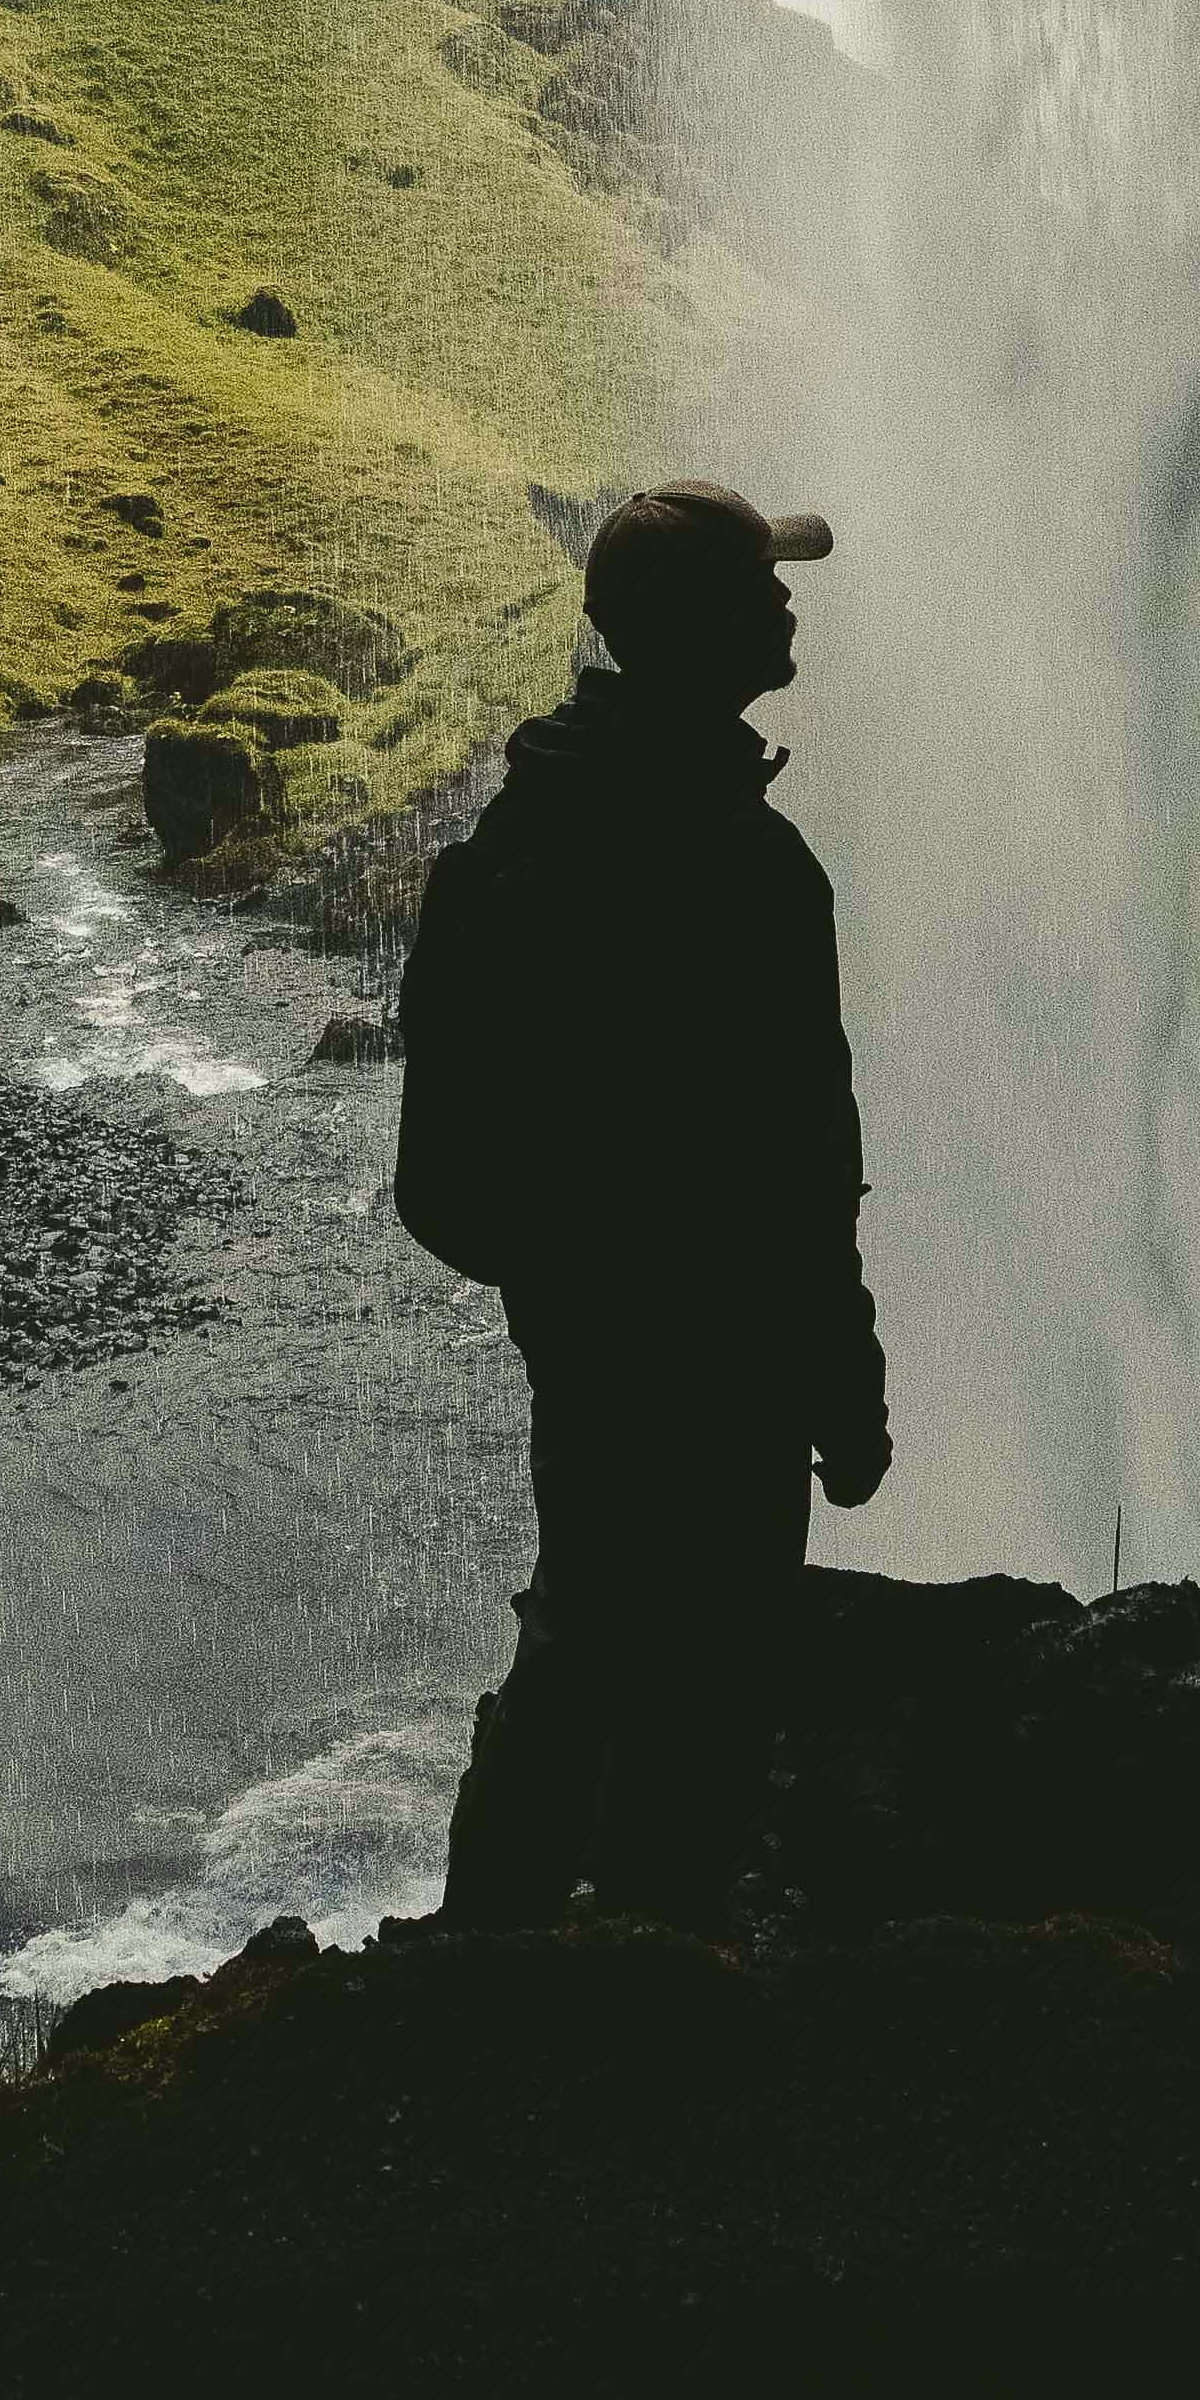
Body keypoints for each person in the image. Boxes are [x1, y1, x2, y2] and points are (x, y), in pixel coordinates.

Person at [393, 477, 890, 1925]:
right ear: (703, 629)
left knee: (587, 1626)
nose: (790, 604)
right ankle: (643, 1998)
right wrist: (842, 1389)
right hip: (723, 1353)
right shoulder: (746, 869)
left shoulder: (531, 832)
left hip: (583, 1329)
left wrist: (570, 1277)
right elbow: (803, 1170)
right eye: (762, 587)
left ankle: (495, 1958)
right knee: (707, 1672)